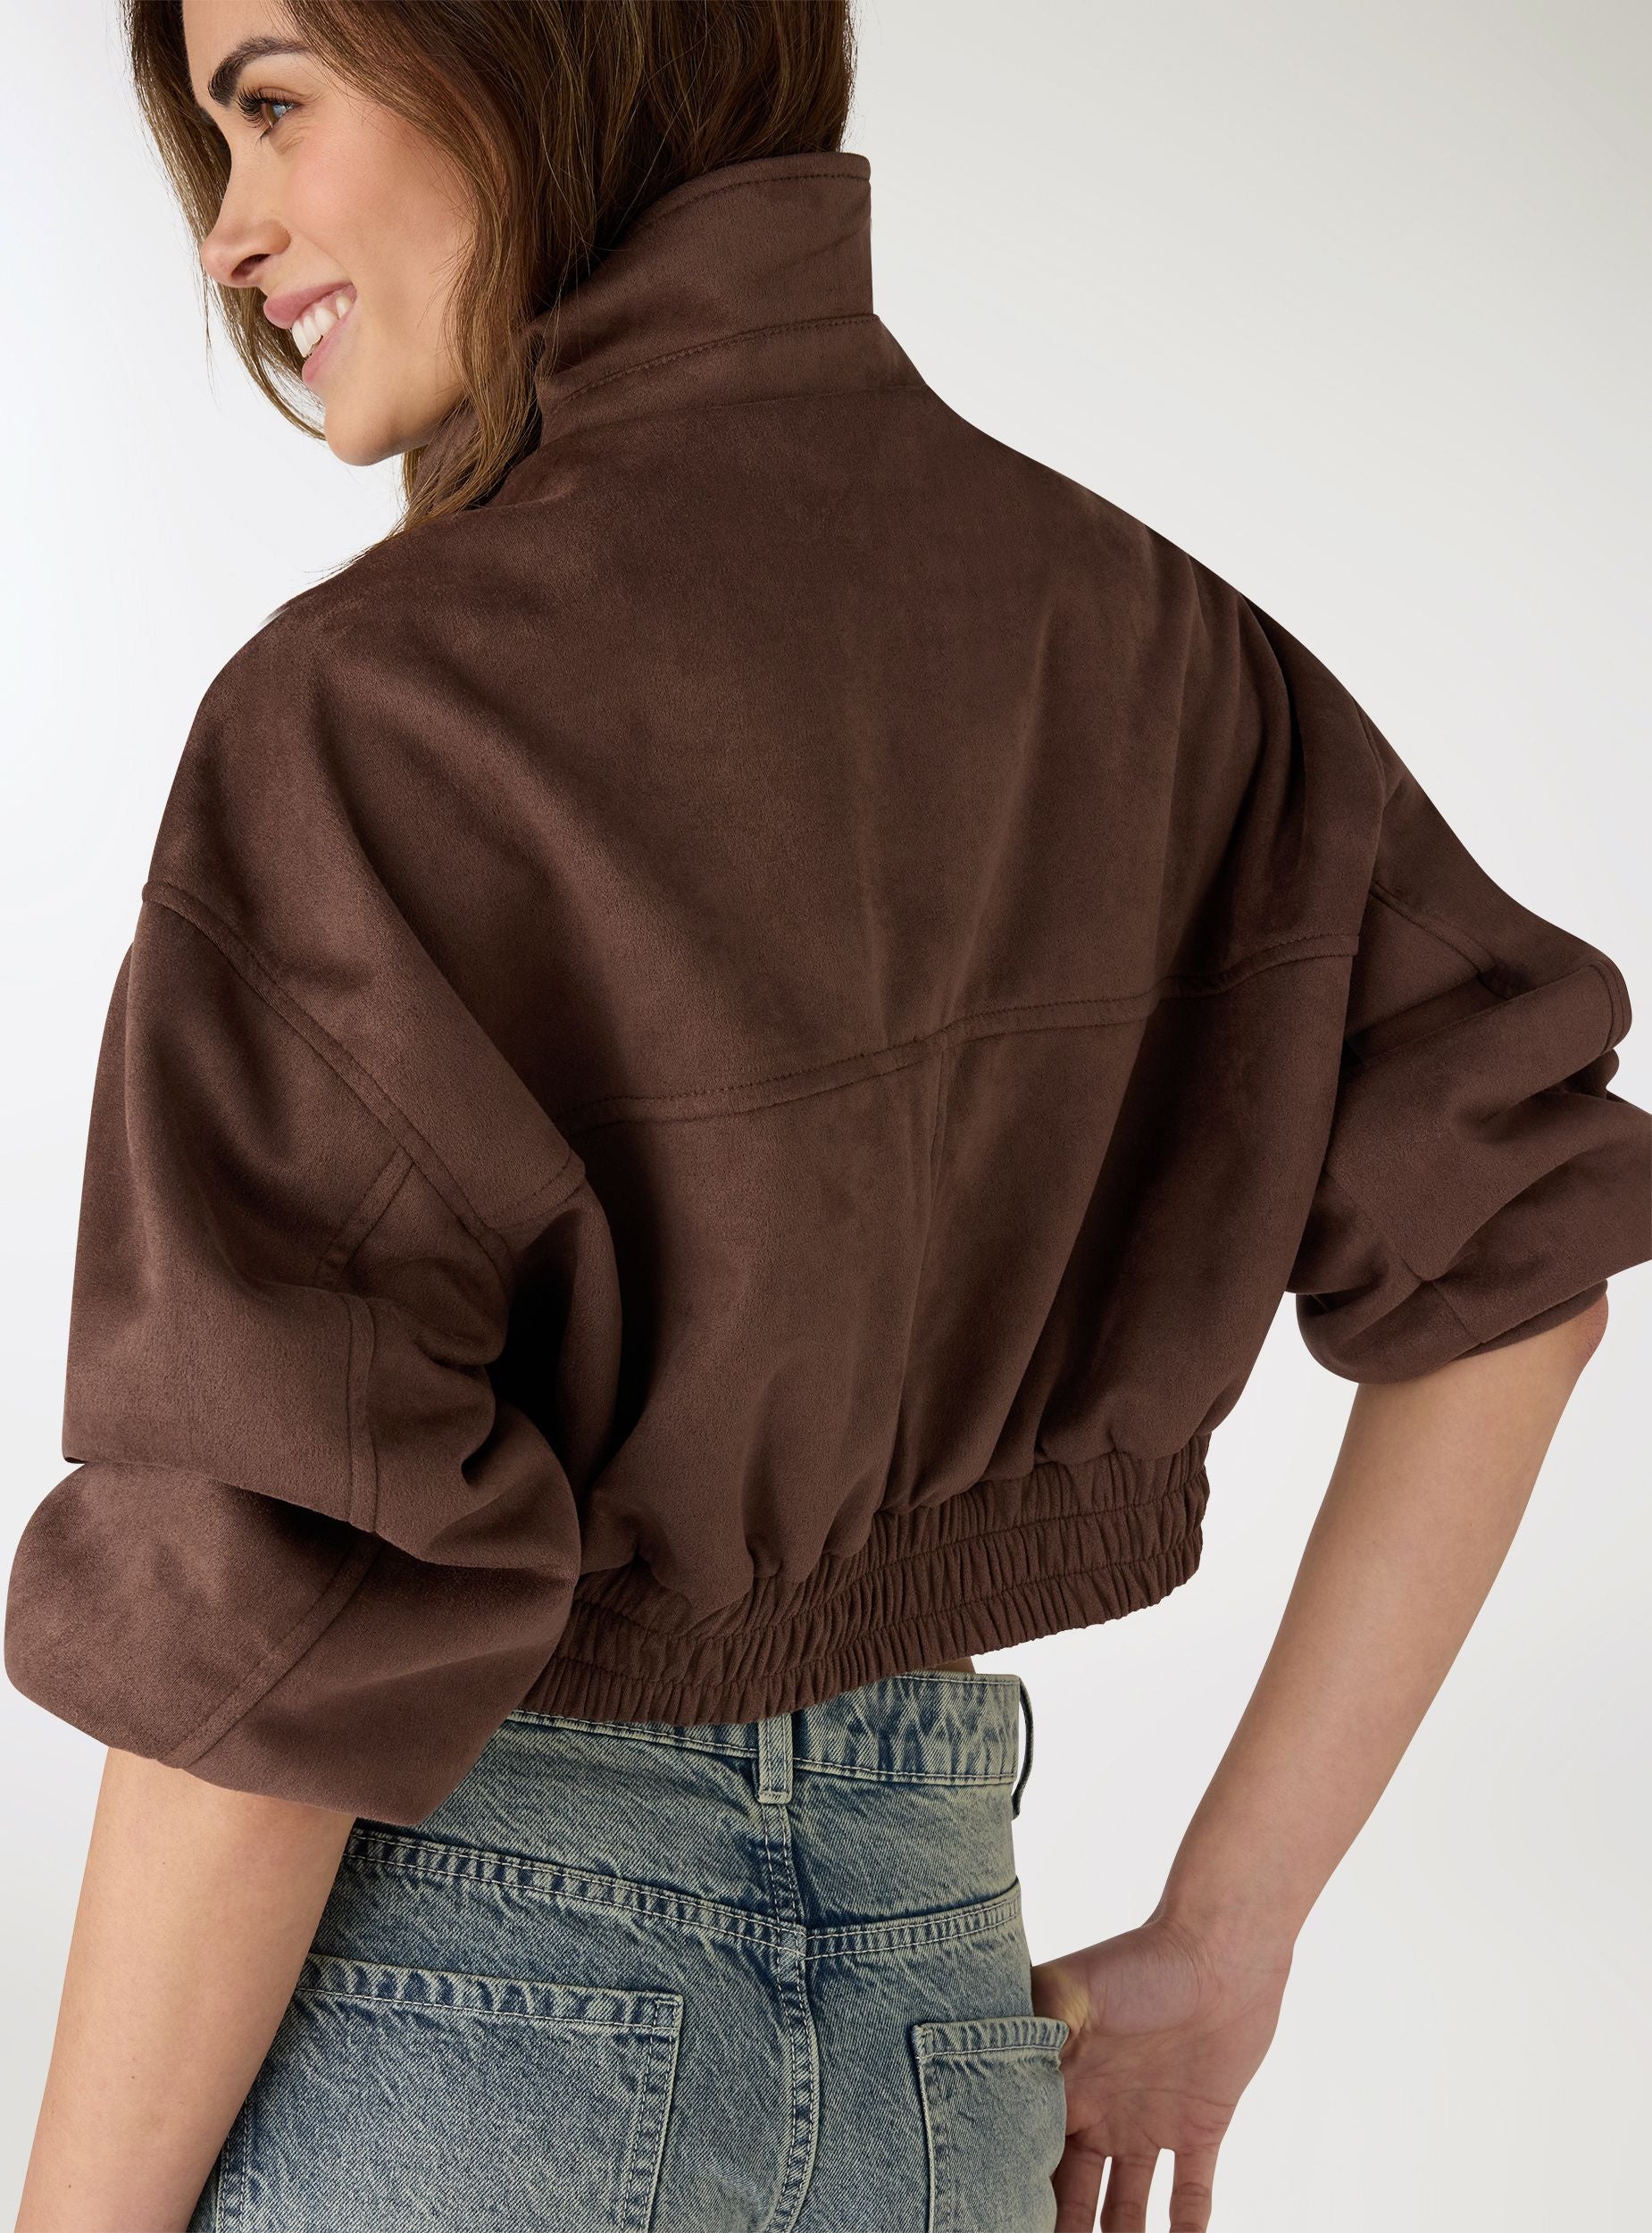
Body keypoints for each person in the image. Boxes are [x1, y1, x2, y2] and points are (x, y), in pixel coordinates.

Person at [8, 3, 1647, 2229]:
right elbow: (1518, 1278)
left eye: (275, 106)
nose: (231, 231)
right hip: (939, 2032)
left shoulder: (366, 714)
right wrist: (1225, 1934)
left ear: (535, 51)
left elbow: (264, 1633)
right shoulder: (1161, 648)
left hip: (464, 2019)